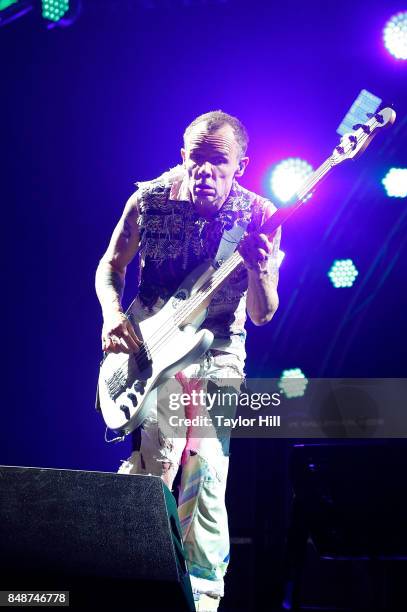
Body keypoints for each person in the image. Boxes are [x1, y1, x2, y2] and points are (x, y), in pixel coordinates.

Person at [95, 110, 281, 611]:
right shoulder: (150, 199)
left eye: (217, 161)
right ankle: (130, 573)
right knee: (159, 460)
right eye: (195, 159)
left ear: (241, 164)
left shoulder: (259, 214)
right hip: (153, 346)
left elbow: (263, 315)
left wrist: (261, 272)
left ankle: (202, 597)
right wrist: (113, 315)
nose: (204, 172)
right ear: (183, 157)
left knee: (208, 469)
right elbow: (111, 264)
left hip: (219, 349)